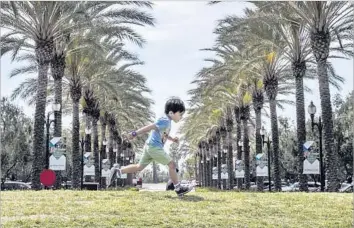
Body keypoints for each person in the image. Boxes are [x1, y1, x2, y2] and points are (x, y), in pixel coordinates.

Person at [108, 97, 193, 196]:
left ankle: (118, 171)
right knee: (172, 165)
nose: (181, 117)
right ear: (171, 113)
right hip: (154, 147)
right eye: (180, 114)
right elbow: (150, 127)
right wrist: (134, 133)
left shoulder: (167, 122)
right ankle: (178, 189)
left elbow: (163, 134)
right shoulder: (165, 120)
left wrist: (172, 139)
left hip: (150, 147)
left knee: (139, 167)